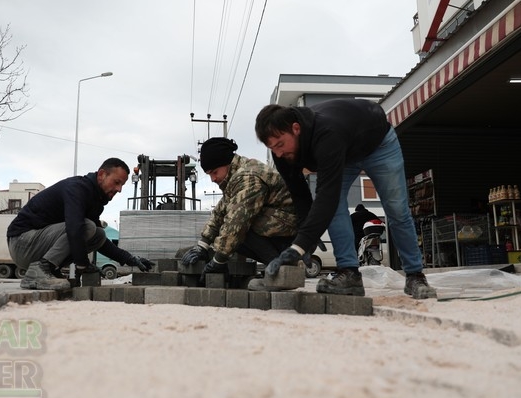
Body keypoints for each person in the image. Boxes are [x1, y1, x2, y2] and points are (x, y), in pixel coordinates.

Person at [254, 99, 436, 299]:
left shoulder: (326, 133)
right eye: (272, 148)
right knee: (335, 208)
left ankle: (415, 276)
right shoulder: (282, 154)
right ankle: (349, 274)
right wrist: (305, 241)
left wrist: (299, 246)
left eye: (280, 144)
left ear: (296, 128)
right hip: (345, 150)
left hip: (378, 143)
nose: (278, 153)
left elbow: (326, 197)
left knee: (396, 208)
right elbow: (300, 196)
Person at [7, 158, 153, 290]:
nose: (119, 189)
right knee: (87, 227)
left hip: (34, 245)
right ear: (102, 174)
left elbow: (100, 242)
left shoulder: (94, 200)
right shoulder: (77, 189)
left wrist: (129, 258)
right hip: (22, 242)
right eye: (116, 182)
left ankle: (49, 270)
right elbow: (75, 228)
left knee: (98, 234)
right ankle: (39, 271)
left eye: (122, 185)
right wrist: (83, 264)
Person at [180, 137, 298, 289]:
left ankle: (281, 271)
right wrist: (202, 246)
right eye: (209, 174)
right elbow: (220, 213)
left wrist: (218, 261)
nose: (213, 179)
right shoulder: (235, 177)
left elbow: (236, 223)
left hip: (291, 235)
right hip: (280, 229)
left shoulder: (247, 177)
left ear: (226, 163)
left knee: (238, 229)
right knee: (229, 229)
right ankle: (278, 265)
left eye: (214, 172)